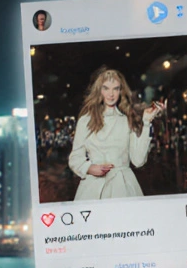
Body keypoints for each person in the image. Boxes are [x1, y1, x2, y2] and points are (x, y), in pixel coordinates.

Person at [67, 68, 165, 200]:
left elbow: (138, 160)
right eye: (106, 88)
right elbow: (75, 158)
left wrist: (146, 123)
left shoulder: (126, 120)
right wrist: (90, 168)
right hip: (93, 188)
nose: (111, 94)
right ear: (99, 90)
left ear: (121, 91)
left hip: (124, 187)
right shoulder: (86, 120)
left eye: (116, 89)